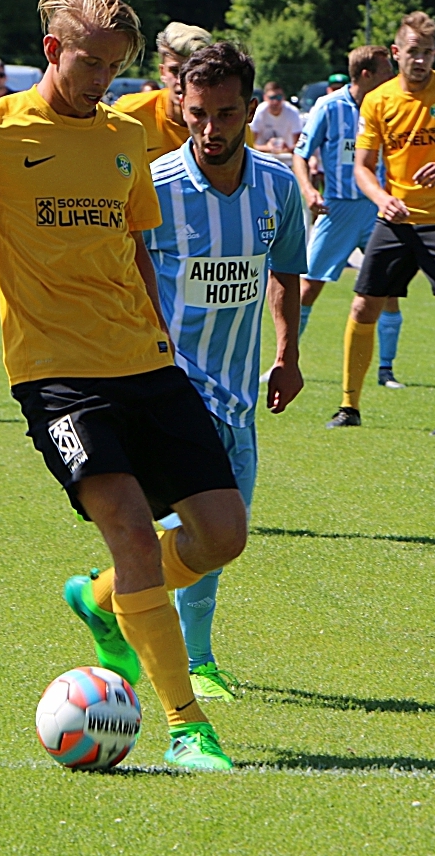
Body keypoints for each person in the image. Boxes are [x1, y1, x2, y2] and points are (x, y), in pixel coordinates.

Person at [0, 0, 248, 771]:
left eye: (115, 66)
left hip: (147, 364)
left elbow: (137, 245)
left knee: (223, 535)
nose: (102, 80)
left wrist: (160, 337)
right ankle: (189, 728)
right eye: (91, 63)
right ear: (53, 50)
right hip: (58, 376)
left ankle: (101, 596)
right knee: (133, 533)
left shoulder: (123, 137)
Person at [71, 41, 306, 704]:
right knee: (194, 529)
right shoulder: (155, 185)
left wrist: (286, 354)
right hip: (167, 391)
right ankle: (194, 663)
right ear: (180, 105)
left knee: (218, 539)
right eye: (198, 113)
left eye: (226, 112)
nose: (211, 128)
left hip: (239, 397)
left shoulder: (278, 188)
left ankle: (98, 596)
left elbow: (285, 270)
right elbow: (117, 273)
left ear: (252, 109)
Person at [329, 11, 435, 434]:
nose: (420, 60)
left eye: (428, 52)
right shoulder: (378, 100)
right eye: (412, 52)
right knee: (363, 304)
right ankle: (348, 406)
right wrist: (383, 199)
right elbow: (363, 167)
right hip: (396, 217)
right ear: (396, 53)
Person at [292, 45, 408, 384]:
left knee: (388, 290)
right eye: (387, 71)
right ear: (366, 75)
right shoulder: (328, 107)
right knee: (309, 286)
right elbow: (301, 155)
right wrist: (309, 191)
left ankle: (386, 369)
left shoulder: (389, 105)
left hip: (378, 207)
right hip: (337, 207)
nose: (393, 77)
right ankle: (286, 360)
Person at [114, 21, 214, 160]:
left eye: (193, 72)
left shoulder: (228, 121)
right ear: (162, 72)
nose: (182, 81)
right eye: (174, 70)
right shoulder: (128, 114)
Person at [251, 81, 303, 155]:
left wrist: (286, 149)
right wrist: (267, 148)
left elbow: (299, 145)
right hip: (263, 156)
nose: (275, 101)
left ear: (283, 98)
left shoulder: (292, 112)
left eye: (279, 97)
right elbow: (250, 145)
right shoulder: (259, 112)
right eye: (272, 97)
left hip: (287, 157)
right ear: (265, 97)